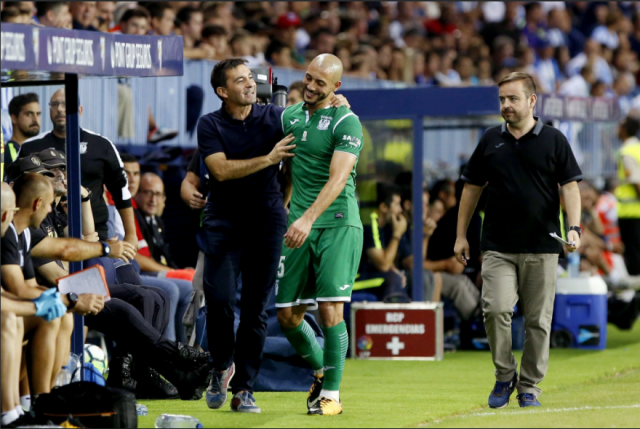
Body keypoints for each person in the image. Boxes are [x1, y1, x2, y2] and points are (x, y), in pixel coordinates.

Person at [197, 58, 350, 413]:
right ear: (223, 91)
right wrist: (268, 159)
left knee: (255, 309)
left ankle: (244, 389)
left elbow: (315, 110)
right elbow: (218, 170)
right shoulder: (209, 124)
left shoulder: (275, 117)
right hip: (222, 221)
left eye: (251, 78)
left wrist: (339, 103)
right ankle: (222, 365)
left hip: (266, 222)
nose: (250, 84)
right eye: (240, 80)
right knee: (219, 301)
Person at [454, 72, 583, 409]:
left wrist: (575, 228)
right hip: (496, 245)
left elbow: (570, 186)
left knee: (539, 322)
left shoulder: (554, 139)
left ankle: (529, 388)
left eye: (512, 98)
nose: (505, 105)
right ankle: (504, 375)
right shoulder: (489, 139)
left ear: (531, 101)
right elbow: (471, 188)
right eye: (501, 99)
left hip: (543, 246)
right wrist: (460, 236)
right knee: (495, 310)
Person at [277, 54, 364, 416]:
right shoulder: (289, 117)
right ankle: (319, 370)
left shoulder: (348, 121)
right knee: (287, 316)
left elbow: (338, 178)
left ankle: (331, 394)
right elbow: (283, 170)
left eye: (321, 84)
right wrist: (286, 210)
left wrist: (307, 218)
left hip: (338, 224)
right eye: (308, 79)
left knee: (331, 310)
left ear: (336, 89)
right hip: (298, 223)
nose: (311, 87)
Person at [18, 89, 138, 251]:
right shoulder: (31, 147)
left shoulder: (101, 145)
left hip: (97, 233)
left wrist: (131, 234)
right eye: (55, 104)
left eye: (65, 104)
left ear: (79, 110)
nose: (60, 109)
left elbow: (121, 191)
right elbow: (16, 188)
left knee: (123, 271)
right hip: (49, 233)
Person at [121, 155, 192, 343]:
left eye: (158, 195)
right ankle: (168, 355)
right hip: (130, 272)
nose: (153, 200)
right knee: (179, 286)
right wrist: (175, 272)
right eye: (148, 193)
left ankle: (189, 351)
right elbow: (134, 255)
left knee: (195, 280)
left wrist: (177, 270)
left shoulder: (152, 219)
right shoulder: (123, 207)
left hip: (143, 270)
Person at [357, 183, 410, 302]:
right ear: (383, 207)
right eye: (396, 204)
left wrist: (393, 268)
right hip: (353, 280)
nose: (400, 210)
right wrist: (397, 234)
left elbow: (385, 262)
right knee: (393, 279)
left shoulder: (385, 225)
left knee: (400, 276)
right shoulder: (370, 222)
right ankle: (394, 319)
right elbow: (383, 265)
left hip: (369, 275)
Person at [615, 116, 640, 275]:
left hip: (631, 213)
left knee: (634, 255)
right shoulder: (637, 147)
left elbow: (637, 183)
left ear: (625, 130)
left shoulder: (627, 152)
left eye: (620, 126)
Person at [5, 93, 41, 175]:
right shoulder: (6, 154)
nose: (35, 119)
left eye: (38, 114)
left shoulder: (42, 149)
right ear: (14, 118)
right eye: (29, 114)